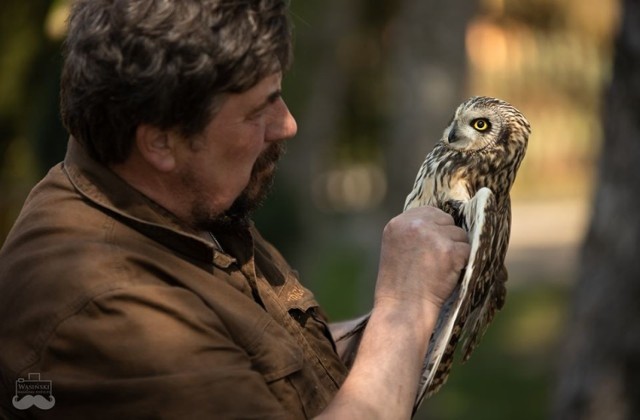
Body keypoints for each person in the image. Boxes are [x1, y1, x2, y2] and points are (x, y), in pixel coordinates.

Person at [0, 0, 470, 418]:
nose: (287, 125)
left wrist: (436, 310)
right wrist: (404, 309)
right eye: (257, 110)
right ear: (161, 140)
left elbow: (282, 369)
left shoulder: (180, 204)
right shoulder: (106, 309)